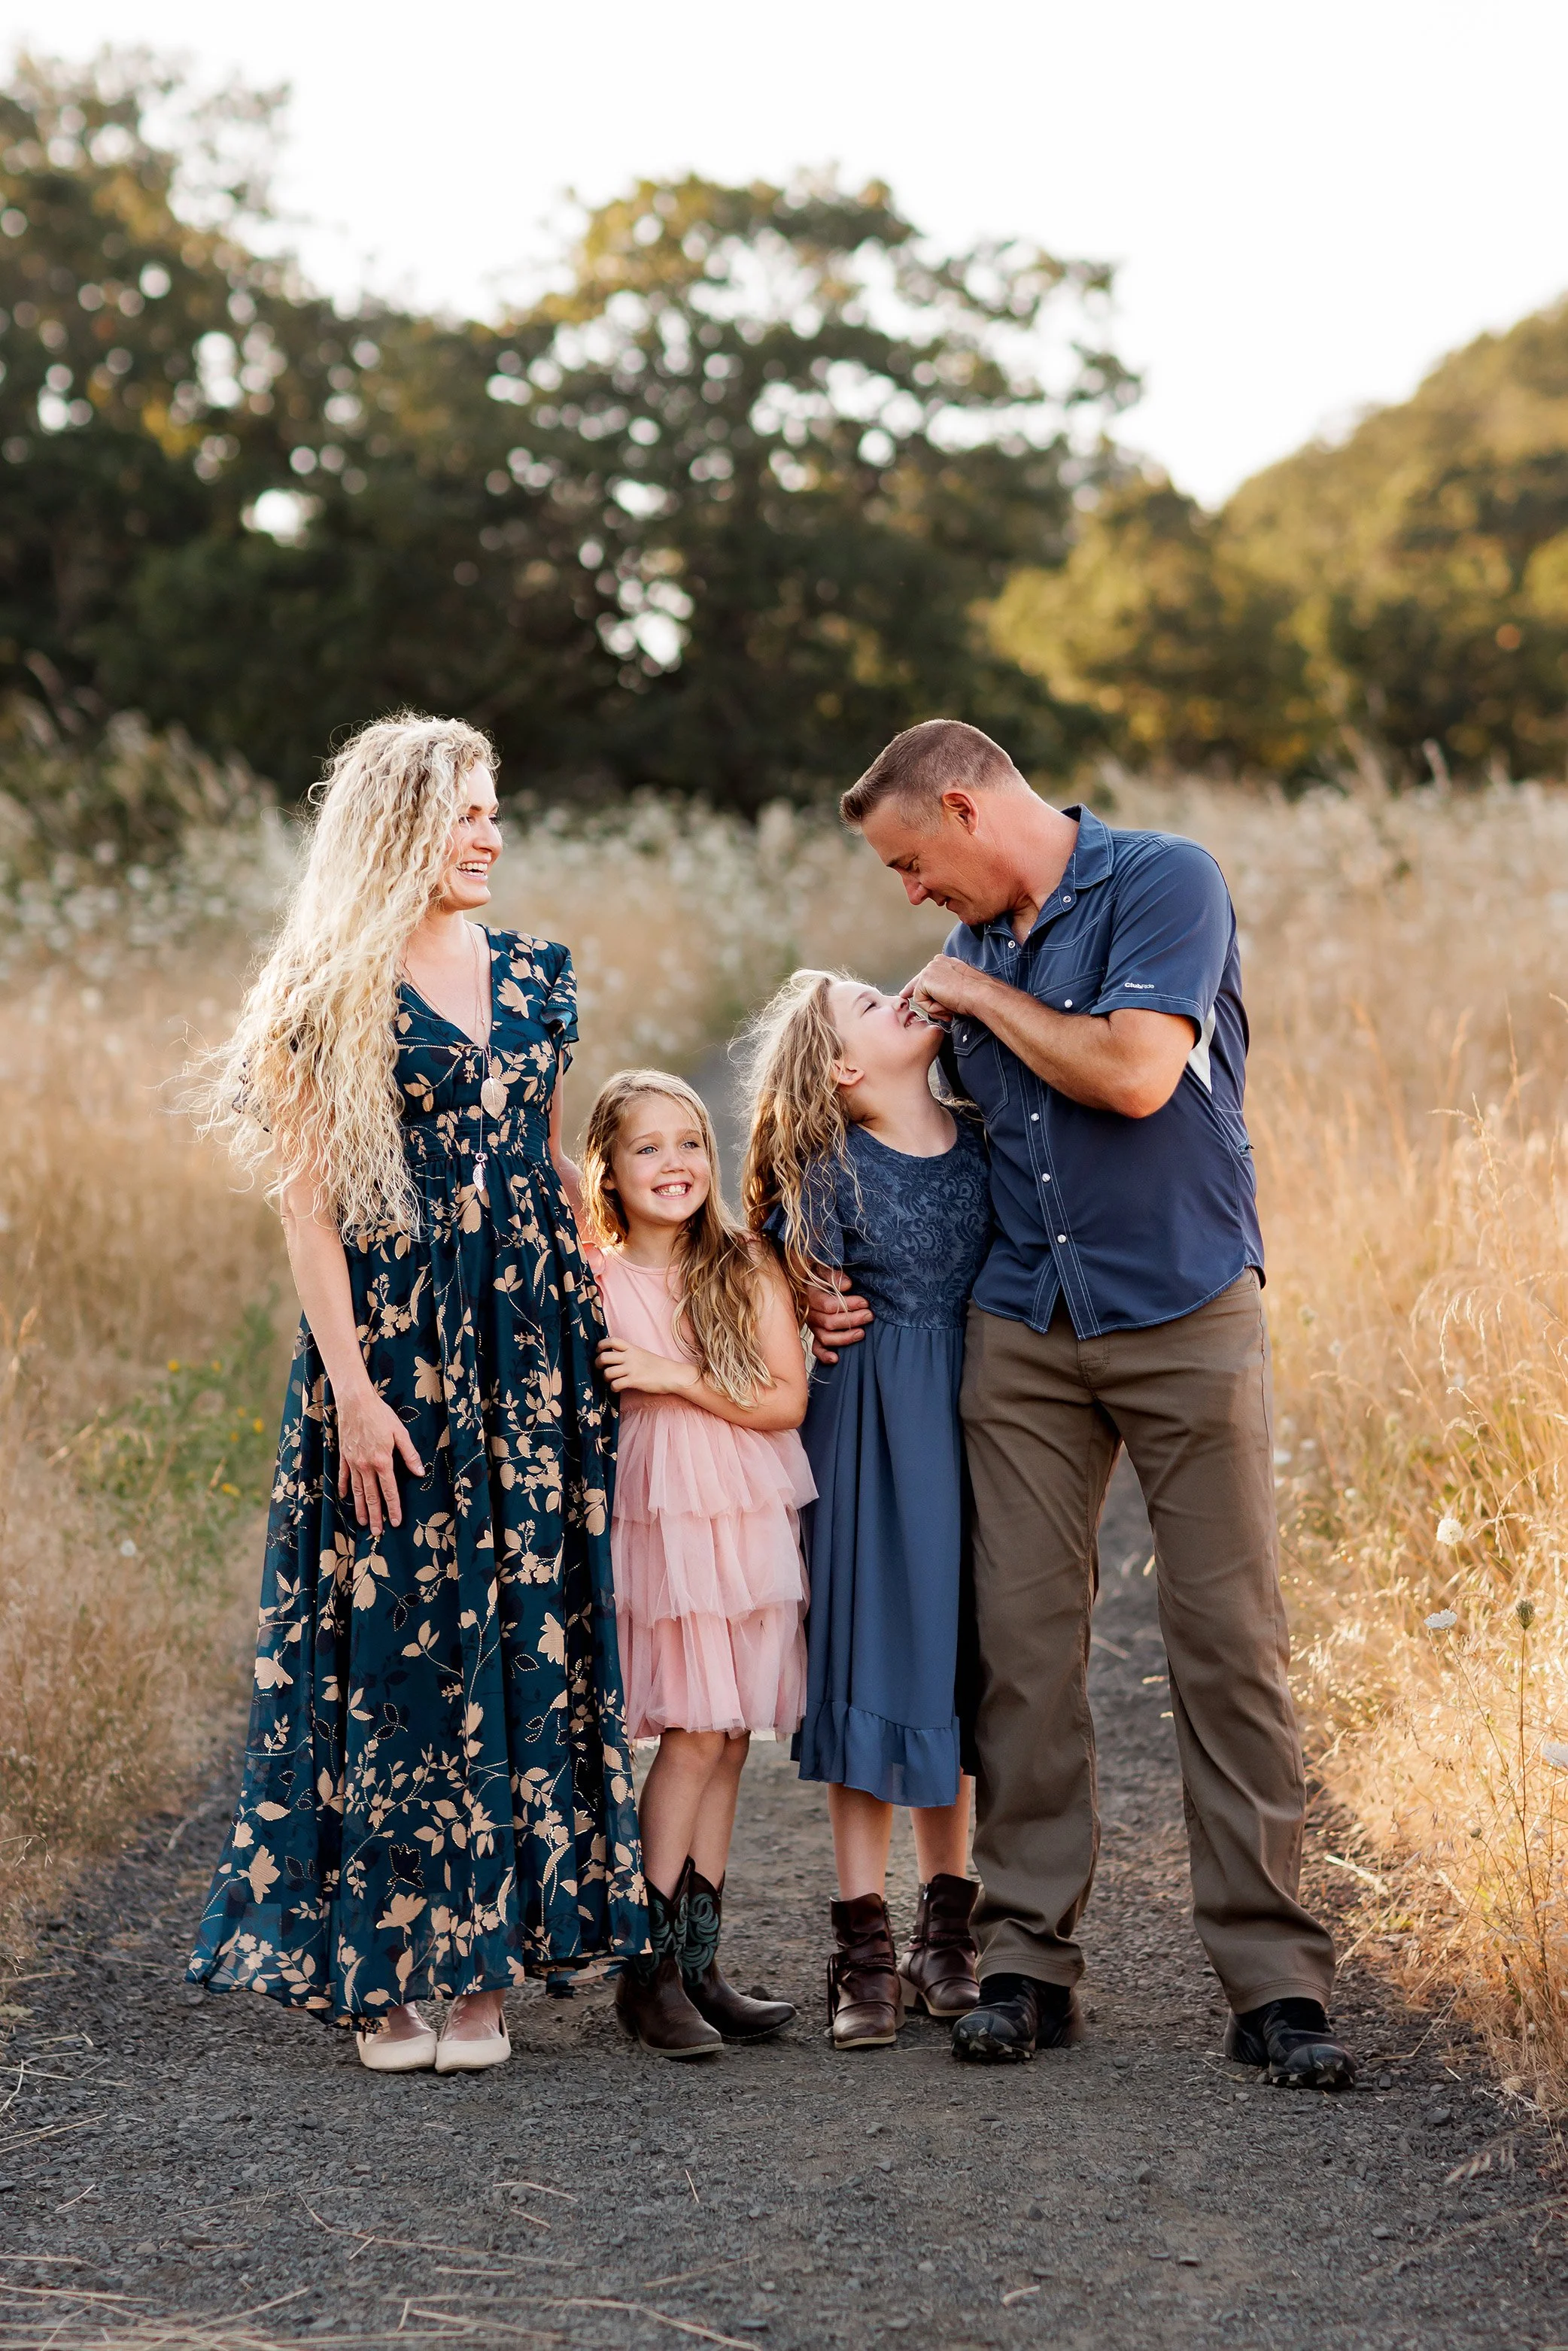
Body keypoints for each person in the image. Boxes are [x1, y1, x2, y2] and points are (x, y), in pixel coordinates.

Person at [807, 718, 1354, 2088]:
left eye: (913, 864)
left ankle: (1274, 1983)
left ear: (965, 807)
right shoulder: (966, 948)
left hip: (1183, 1309)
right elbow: (895, 1138)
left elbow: (1134, 1072)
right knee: (1024, 1656)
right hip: (1023, 1334)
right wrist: (810, 1284)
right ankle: (1028, 1965)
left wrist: (983, 1001)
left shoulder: (1166, 880)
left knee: (1225, 1642)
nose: (912, 898)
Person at [185, 713, 643, 2073]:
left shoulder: (538, 974)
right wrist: (356, 1393)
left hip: (532, 1353)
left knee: (520, 1632)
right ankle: (387, 1979)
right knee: (392, 1651)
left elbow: (554, 1173)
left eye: (495, 808)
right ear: (395, 826)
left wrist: (658, 1287)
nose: (488, 834)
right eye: (462, 812)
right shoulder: (326, 991)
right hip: (391, 1356)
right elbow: (310, 1214)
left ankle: (488, 1981)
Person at [743, 971, 992, 2051]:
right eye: (861, 1003)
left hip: (977, 1421)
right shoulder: (828, 1171)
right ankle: (863, 1940)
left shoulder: (985, 1136)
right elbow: (758, 1252)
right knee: (870, 1661)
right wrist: (800, 1295)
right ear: (842, 1071)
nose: (893, 994)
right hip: (869, 1434)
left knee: (956, 1660)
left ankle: (951, 1923)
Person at [580, 1070, 810, 2058]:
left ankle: (700, 1962)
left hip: (740, 1510)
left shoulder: (744, 1264)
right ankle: (647, 1971)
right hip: (661, 1517)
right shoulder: (593, 1271)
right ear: (608, 1167)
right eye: (647, 1147)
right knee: (685, 1728)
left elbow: (783, 1400)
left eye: (689, 1143)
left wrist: (678, 1376)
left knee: (724, 1735)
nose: (674, 1164)